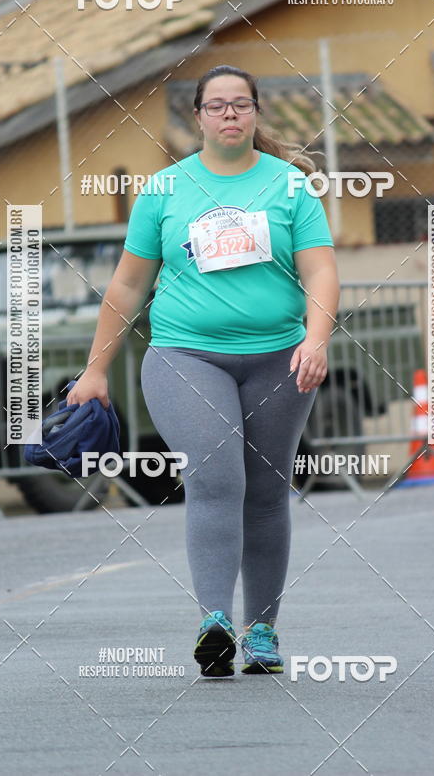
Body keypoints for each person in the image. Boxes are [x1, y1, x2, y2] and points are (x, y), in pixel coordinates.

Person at [68, 64, 340, 677]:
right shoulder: (164, 190)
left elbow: (321, 271)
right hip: (185, 355)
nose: (229, 115)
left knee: (268, 494)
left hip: (279, 357)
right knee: (218, 480)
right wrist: (94, 370)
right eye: (215, 106)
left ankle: (262, 629)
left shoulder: (291, 186)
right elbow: (128, 283)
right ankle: (214, 622)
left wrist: (317, 339)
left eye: (240, 104)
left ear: (256, 113)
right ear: (197, 118)